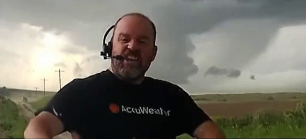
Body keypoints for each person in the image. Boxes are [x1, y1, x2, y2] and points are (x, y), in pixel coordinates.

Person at [24, 12, 226, 139]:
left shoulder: (172, 96)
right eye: (124, 39)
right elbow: (37, 128)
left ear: (153, 53)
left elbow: (212, 133)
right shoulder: (82, 91)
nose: (132, 47)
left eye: (142, 41)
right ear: (111, 47)